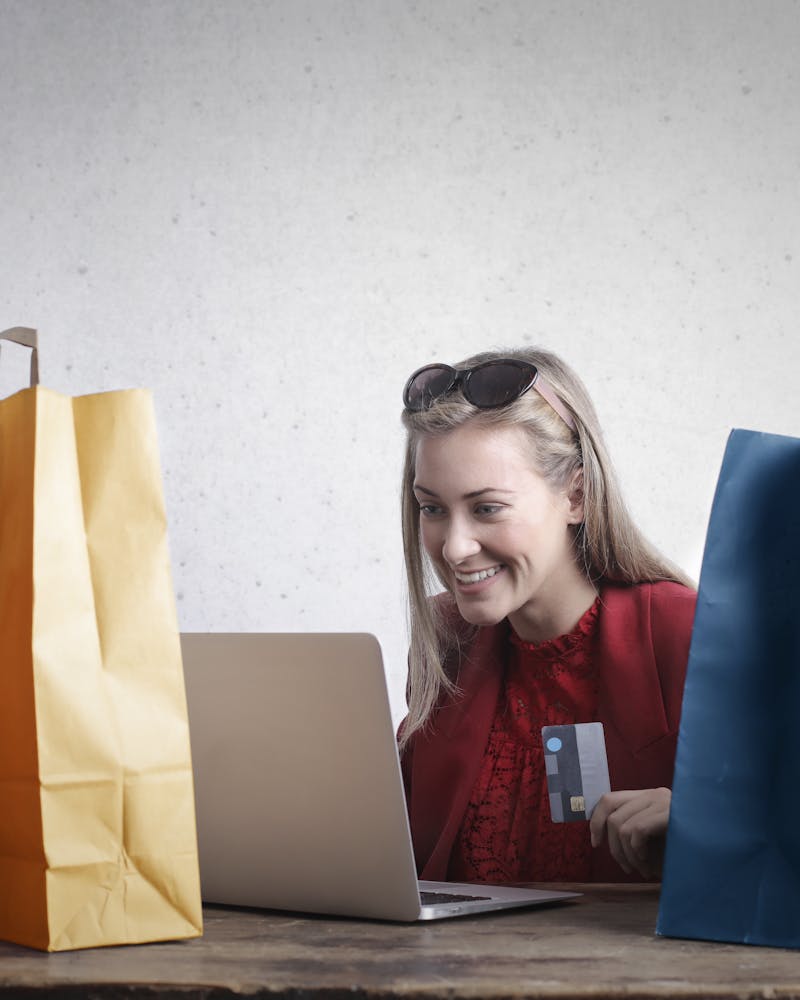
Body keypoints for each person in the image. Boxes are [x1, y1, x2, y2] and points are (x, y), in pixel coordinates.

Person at [398, 347, 697, 883]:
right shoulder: (448, 641)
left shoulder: (686, 634)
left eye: (487, 507)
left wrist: (711, 826)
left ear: (576, 495)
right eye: (433, 508)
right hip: (458, 966)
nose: (454, 547)